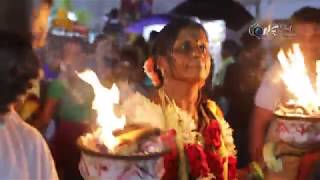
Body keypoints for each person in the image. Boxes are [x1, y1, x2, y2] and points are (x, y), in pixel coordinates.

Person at [140, 18, 237, 179]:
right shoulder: (148, 114)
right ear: (161, 62)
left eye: (203, 47)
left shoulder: (212, 113)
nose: (197, 54)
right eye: (185, 47)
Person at [249, 7, 320, 180]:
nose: (308, 44)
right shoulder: (281, 72)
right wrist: (257, 165)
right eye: (301, 38)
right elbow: (259, 121)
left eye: (315, 37)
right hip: (282, 157)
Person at [34, 37, 95, 180]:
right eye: (68, 53)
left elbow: (45, 119)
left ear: (82, 58)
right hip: (73, 143)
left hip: (76, 143)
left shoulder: (89, 86)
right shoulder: (59, 85)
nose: (71, 58)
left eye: (76, 54)